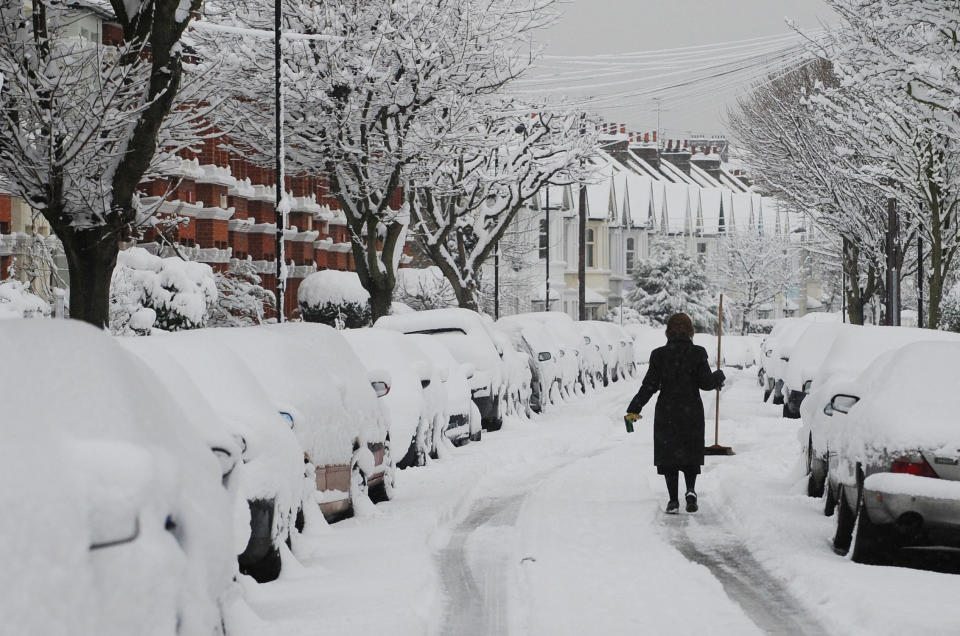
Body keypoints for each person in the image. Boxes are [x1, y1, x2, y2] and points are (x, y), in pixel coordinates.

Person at [625, 313, 725, 514]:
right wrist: (718, 377)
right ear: (690, 331)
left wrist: (634, 408)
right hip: (691, 411)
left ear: (668, 331)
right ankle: (690, 490)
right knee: (690, 454)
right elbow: (706, 384)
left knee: (669, 457)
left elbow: (649, 385)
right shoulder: (698, 353)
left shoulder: (659, 355)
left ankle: (672, 500)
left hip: (667, 412)